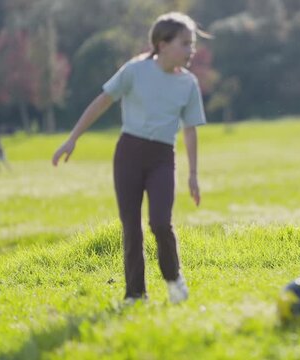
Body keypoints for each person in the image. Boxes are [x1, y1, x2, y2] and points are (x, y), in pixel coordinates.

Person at [52, 12, 208, 304]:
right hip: (129, 155)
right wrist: (72, 139)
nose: (192, 50)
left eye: (193, 44)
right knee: (131, 227)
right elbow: (102, 102)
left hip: (163, 157)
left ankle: (174, 280)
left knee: (161, 222)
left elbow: (189, 130)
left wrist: (193, 174)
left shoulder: (188, 84)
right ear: (162, 44)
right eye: (185, 43)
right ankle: (136, 294)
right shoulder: (134, 71)